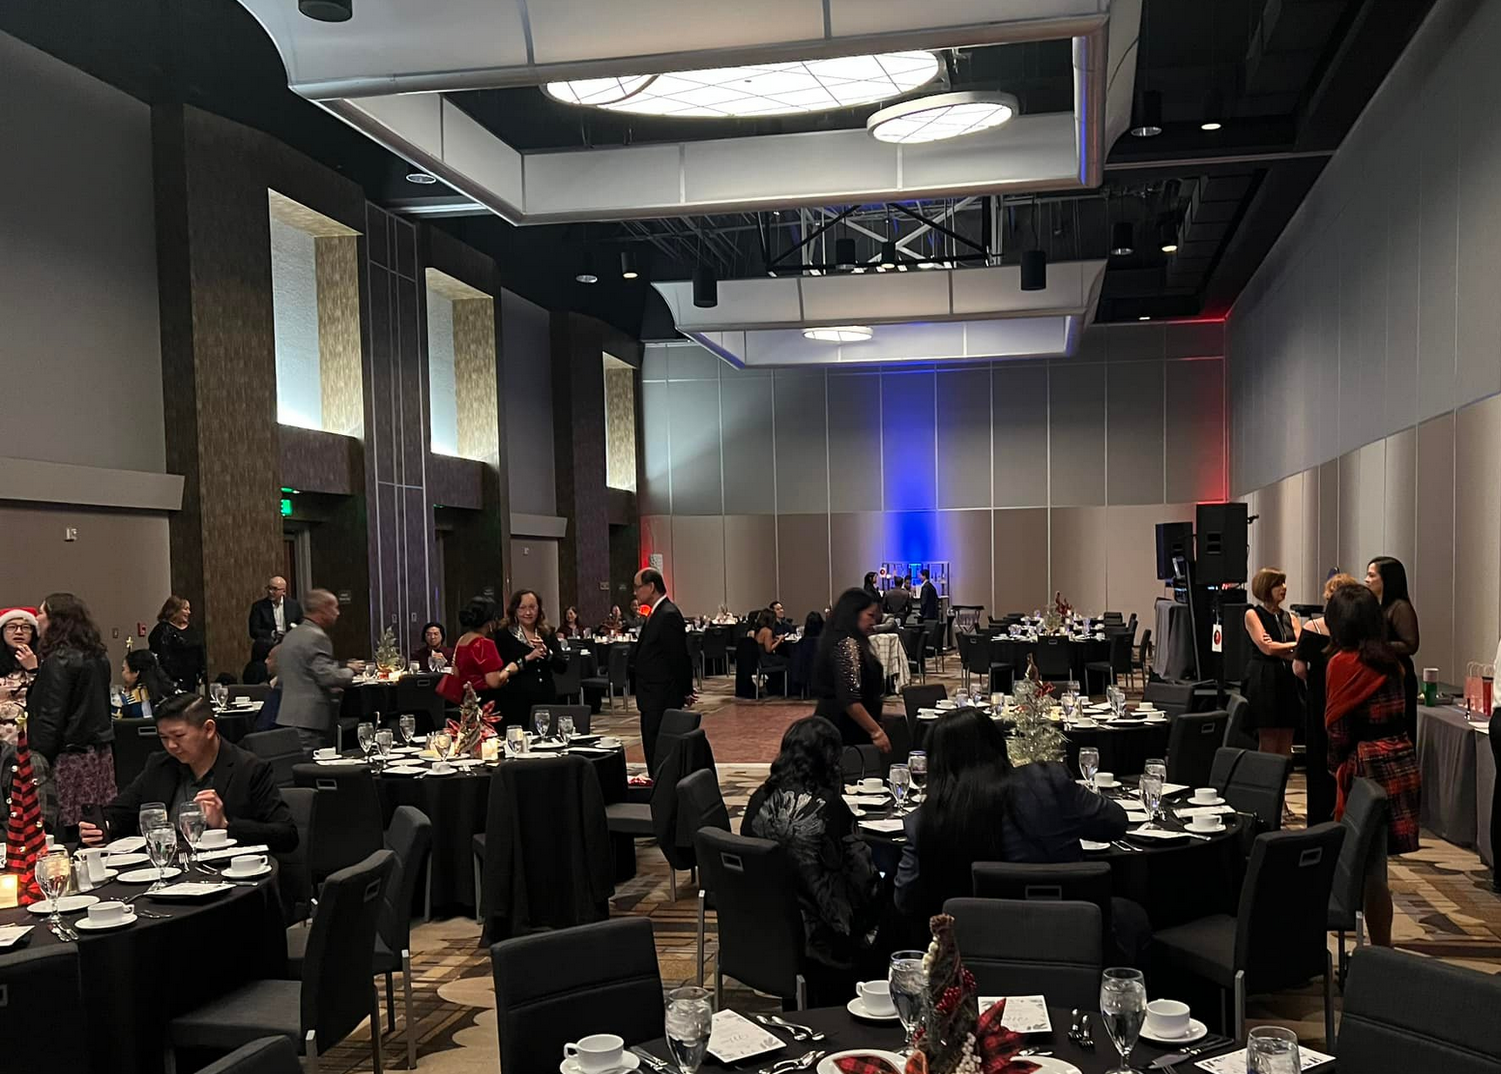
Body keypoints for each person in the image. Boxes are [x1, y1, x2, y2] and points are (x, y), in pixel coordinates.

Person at [891, 708, 1145, 962]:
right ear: (998, 745)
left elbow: (904, 900)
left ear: (936, 764)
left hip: (974, 953)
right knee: (1132, 914)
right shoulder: (1047, 782)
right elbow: (1116, 823)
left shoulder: (924, 820)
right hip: (1069, 937)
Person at [742, 716, 884, 1000]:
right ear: (831, 760)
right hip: (823, 942)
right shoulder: (828, 807)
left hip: (763, 928)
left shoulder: (759, 799)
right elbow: (862, 880)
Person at [1324, 583, 1421, 947]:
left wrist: (1336, 770)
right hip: (1400, 764)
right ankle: (1381, 947)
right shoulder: (1392, 662)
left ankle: (1377, 956)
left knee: (1364, 868)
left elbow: (1338, 730)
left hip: (1365, 771)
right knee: (1377, 869)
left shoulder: (1341, 663)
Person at [80, 693, 297, 853]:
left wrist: (226, 826)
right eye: (164, 738)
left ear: (209, 729)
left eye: (179, 736)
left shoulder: (249, 768)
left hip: (226, 876)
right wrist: (102, 827)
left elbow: (286, 835)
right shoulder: (160, 766)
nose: (171, 746)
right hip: (165, 870)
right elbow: (119, 812)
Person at [28, 593, 115, 834]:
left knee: (69, 830)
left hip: (70, 758)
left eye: (42, 613)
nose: (37, 619)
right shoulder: (98, 657)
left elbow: (50, 716)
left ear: (57, 620)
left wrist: (35, 756)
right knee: (96, 825)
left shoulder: (59, 660)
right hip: (99, 754)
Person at [1294, 573, 1360, 826]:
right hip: (1350, 699)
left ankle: (1319, 821)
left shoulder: (1313, 628)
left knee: (1318, 759)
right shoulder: (1356, 632)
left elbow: (1299, 668)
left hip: (1320, 700)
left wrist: (1312, 685)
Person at [273, 588, 356, 751]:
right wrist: (350, 671)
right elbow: (328, 677)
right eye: (335, 608)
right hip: (310, 720)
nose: (338, 613)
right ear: (323, 609)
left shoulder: (291, 635)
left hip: (287, 717)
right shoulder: (316, 637)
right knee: (313, 771)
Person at [632, 568, 694, 774]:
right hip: (651, 694)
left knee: (660, 751)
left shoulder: (667, 614)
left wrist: (685, 690)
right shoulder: (656, 613)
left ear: (651, 587)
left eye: (637, 587)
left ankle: (662, 792)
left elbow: (678, 656)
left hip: (661, 695)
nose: (635, 592)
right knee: (651, 747)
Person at [812, 589, 890, 752]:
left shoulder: (839, 640)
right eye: (870, 615)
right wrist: (876, 732)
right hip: (844, 729)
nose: (874, 622)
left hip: (840, 725)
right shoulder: (846, 644)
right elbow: (849, 698)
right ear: (853, 614)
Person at [1241, 567, 1301, 757]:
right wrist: (1288, 647)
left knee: (1287, 737)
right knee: (1268, 738)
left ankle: (1283, 782)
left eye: (1283, 583)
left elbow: (1302, 645)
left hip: (1288, 679)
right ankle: (1265, 783)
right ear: (1266, 587)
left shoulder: (1291, 617)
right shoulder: (1253, 614)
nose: (1283, 588)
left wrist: (1280, 647)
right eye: (1277, 584)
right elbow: (1266, 648)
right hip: (1264, 679)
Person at [492, 589, 569, 728]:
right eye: (522, 608)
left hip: (546, 698)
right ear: (514, 610)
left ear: (539, 609)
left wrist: (547, 653)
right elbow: (501, 669)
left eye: (532, 607)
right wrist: (528, 658)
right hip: (515, 700)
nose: (528, 613)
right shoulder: (504, 635)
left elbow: (562, 667)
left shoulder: (547, 633)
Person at [1366, 557, 1420, 744]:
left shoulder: (1400, 608)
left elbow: (1410, 645)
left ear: (1386, 580)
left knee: (1399, 731)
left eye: (1372, 575)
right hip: (1381, 675)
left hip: (1399, 677)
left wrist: (1373, 645)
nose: (1366, 580)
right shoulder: (1379, 606)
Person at [437, 597, 512, 707]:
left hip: (466, 700)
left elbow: (456, 673)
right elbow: (494, 682)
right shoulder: (484, 644)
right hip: (484, 701)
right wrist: (509, 669)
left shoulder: (462, 640)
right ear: (490, 622)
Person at [149, 595, 205, 693]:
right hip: (171, 682)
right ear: (174, 611)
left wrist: (201, 672)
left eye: (189, 609)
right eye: (185, 609)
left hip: (191, 680)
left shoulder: (191, 630)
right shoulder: (162, 630)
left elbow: (199, 651)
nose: (189, 612)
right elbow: (162, 657)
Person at [120, 648, 179, 719]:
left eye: (123, 669)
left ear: (136, 672)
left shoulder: (127, 702)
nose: (122, 674)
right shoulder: (174, 694)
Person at [0, 606, 40, 709]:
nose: (19, 632)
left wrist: (33, 670)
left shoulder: (45, 660)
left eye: (25, 627)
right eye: (11, 627)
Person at [248, 575, 303, 646]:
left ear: (283, 591)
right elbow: (253, 631)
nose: (270, 592)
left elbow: (301, 625)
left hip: (290, 643)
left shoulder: (294, 605)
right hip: (268, 643)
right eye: (269, 588)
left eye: (274, 589)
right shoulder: (258, 606)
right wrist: (273, 634)